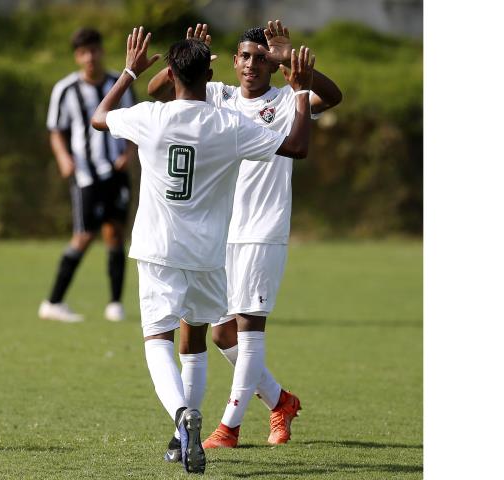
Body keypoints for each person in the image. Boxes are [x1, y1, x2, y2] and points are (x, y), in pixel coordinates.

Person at [91, 26, 315, 473]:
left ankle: (182, 416)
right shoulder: (230, 125)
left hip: (158, 249)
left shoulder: (151, 117)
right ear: (211, 74)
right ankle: (188, 434)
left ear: (172, 74)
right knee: (198, 334)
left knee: (160, 339)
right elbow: (296, 146)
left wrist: (130, 72)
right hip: (210, 255)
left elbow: (100, 117)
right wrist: (302, 92)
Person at [147, 21, 342, 449]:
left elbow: (332, 97)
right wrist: (187, 52)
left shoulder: (289, 99)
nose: (252, 64)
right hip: (216, 233)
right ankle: (280, 401)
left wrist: (294, 63)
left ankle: (228, 429)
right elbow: (159, 91)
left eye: (261, 58)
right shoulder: (219, 96)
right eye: (245, 57)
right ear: (233, 62)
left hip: (261, 230)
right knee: (220, 333)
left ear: (272, 65)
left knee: (250, 329)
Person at [38, 27, 137, 323]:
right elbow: (56, 130)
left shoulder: (119, 84)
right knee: (83, 236)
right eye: (83, 52)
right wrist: (63, 158)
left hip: (116, 171)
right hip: (86, 176)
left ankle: (115, 304)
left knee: (115, 233)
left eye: (94, 50)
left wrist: (129, 153)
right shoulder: (65, 89)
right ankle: (53, 302)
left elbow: (135, 122)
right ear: (77, 57)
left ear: (101, 51)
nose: (90, 57)